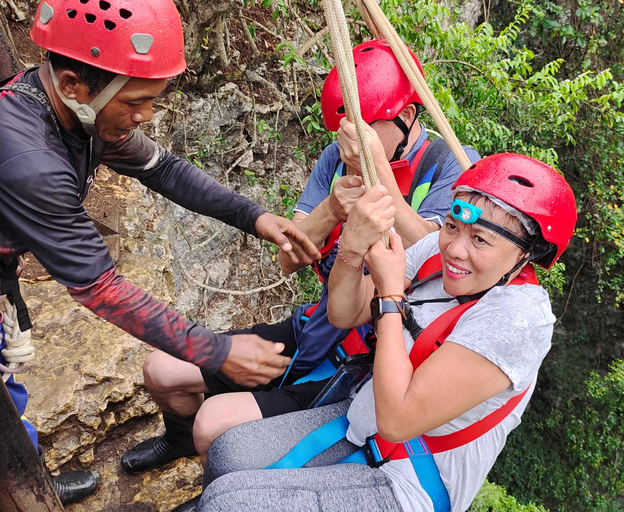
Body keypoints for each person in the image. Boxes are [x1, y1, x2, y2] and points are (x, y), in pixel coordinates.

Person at [0, 0, 321, 507]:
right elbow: (101, 288)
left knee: (3, 395)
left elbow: (163, 169)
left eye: (153, 103)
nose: (143, 117)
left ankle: (30, 485)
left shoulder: (75, 115)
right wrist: (217, 352)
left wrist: (253, 217)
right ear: (75, 84)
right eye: (136, 102)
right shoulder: (27, 159)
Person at [122, 39, 481, 480]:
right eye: (343, 128)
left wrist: (381, 178)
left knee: (213, 425)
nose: (348, 140)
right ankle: (177, 444)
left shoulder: (450, 168)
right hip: (317, 325)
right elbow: (288, 261)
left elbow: (438, 259)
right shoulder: (336, 159)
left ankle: (221, 491)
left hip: (366, 355)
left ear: (406, 117)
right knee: (161, 371)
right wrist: (331, 209)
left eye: (362, 128)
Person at [191, 152, 578, 512]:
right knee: (228, 453)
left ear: (526, 254)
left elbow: (399, 420)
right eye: (452, 226)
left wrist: (391, 294)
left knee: (229, 503)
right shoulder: (433, 251)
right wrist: (352, 249)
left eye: (480, 240)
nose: (455, 250)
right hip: (363, 419)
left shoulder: (517, 320)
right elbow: (347, 312)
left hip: (409, 480)